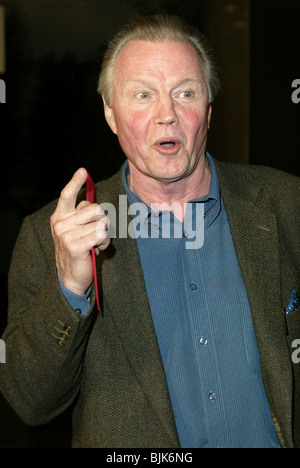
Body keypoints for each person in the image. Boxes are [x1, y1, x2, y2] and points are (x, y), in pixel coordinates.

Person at [0, 14, 299, 449]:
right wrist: (68, 288)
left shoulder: (286, 205)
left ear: (209, 111)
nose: (167, 115)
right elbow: (30, 401)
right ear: (111, 114)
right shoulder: (54, 237)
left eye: (186, 93)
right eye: (143, 94)